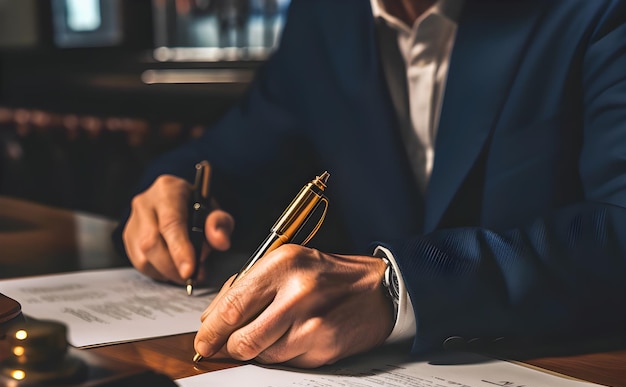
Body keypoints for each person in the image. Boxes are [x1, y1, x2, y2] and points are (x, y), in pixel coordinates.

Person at [114, 0, 626, 368]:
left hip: (574, 380)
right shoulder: (326, 18)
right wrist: (175, 191)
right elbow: (232, 155)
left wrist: (399, 286)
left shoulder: (597, 12)